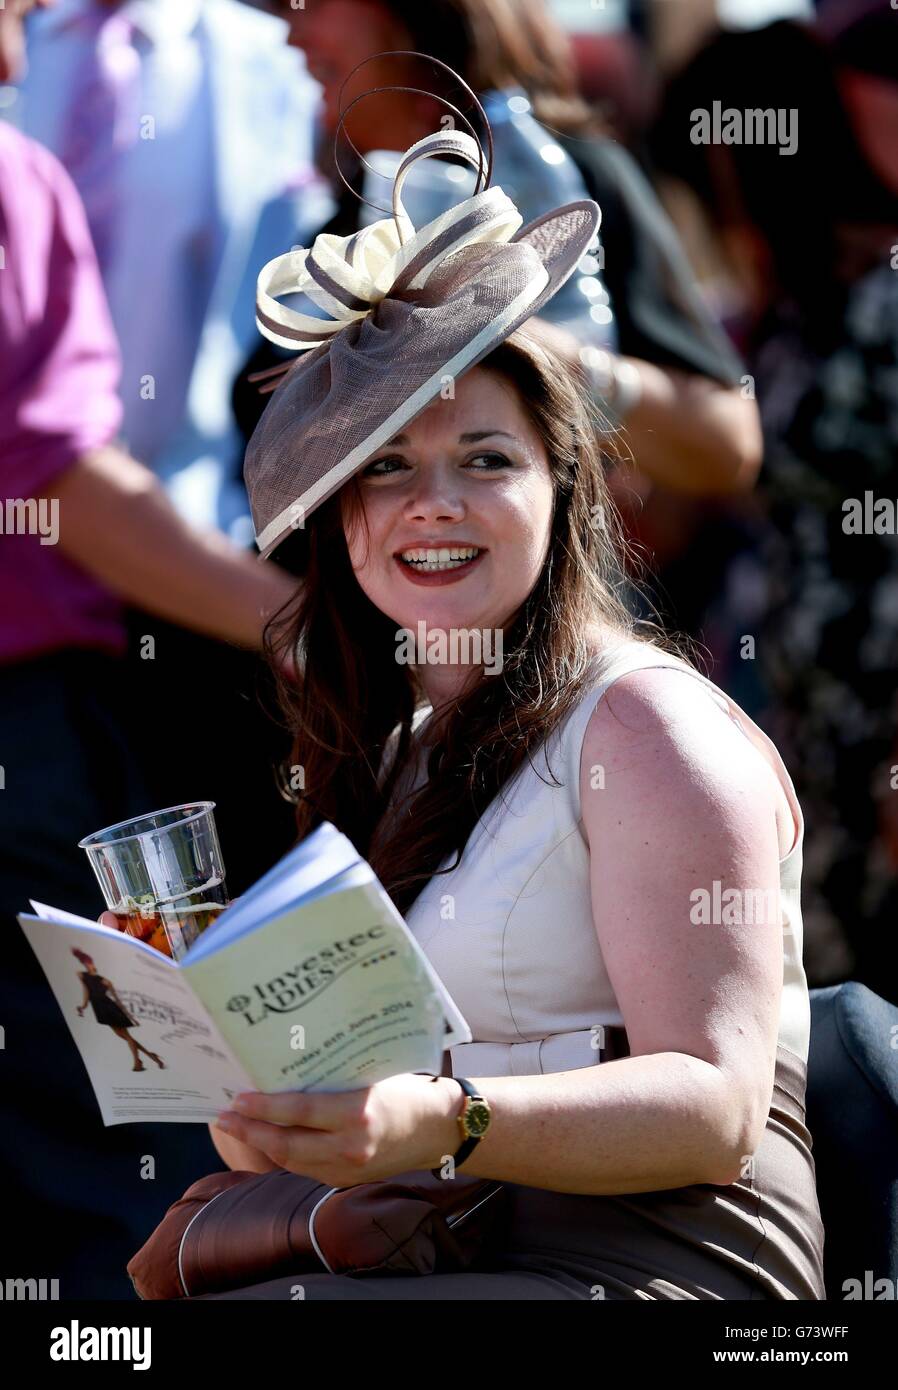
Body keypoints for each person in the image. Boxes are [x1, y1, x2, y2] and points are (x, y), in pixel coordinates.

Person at [165, 124, 825, 1299]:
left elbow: (718, 1108)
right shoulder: (401, 749)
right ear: (337, 525)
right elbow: (334, 1122)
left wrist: (442, 1119)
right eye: (383, 466)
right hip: (446, 1251)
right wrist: (247, 1089)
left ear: (560, 485)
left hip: (653, 1265)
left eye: (484, 459)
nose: (433, 505)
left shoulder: (647, 729)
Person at [0, 0, 298, 1299]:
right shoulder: (11, 175)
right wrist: (304, 626)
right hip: (31, 739)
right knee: (127, 1154)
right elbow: (60, 476)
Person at [233, 0, 762, 505]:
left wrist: (532, 347)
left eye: (315, 2)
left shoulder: (564, 179)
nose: (291, 29)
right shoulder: (348, 217)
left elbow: (729, 448)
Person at [651, 13, 898, 999]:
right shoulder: (792, 319)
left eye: (724, 171)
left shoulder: (878, 312)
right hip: (826, 749)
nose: (723, 209)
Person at [72, 950, 165, 1072]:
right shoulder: (82, 975)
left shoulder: (106, 981)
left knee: (126, 1036)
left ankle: (138, 1063)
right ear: (84, 964)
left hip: (110, 1008)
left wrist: (131, 1018)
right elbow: (87, 992)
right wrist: (83, 1006)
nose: (89, 965)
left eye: (90, 962)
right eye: (86, 963)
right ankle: (152, 1057)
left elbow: (117, 1001)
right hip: (101, 1010)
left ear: (93, 963)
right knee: (125, 1036)